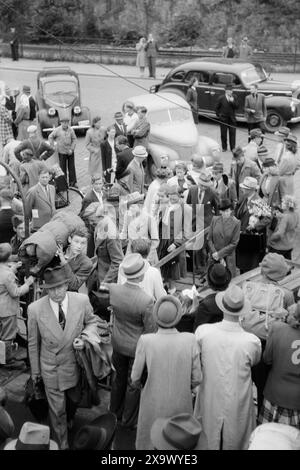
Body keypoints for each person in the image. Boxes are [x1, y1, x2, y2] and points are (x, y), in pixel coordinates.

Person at [27, 265, 100, 450]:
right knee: (57, 411)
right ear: (45, 289)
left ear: (67, 285)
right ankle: (63, 443)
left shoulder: (82, 301)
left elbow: (93, 322)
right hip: (51, 368)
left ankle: (70, 416)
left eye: (60, 287)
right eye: (51, 288)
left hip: (75, 365)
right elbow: (33, 343)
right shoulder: (34, 309)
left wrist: (84, 339)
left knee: (74, 400)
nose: (56, 292)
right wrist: (36, 373)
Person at [194, 284, 261, 450]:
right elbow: (256, 361)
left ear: (222, 306)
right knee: (237, 434)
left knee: (207, 433)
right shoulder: (251, 341)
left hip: (210, 392)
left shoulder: (203, 332)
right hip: (238, 395)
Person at [131, 295, 201, 450]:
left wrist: (141, 385)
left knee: (150, 444)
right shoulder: (190, 340)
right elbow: (197, 378)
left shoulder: (146, 340)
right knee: (178, 443)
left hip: (152, 402)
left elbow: (135, 377)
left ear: (157, 318)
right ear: (178, 317)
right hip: (181, 402)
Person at [108, 253, 156, 428]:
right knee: (133, 383)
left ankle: (113, 413)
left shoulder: (114, 289)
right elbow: (151, 329)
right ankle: (128, 420)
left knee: (118, 379)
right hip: (136, 347)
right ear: (141, 275)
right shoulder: (146, 300)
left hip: (118, 343)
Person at [258, 301, 300, 429]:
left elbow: (267, 359)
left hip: (273, 394)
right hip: (297, 401)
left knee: (266, 439)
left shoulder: (277, 328)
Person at [0, 243, 34, 365]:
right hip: (7, 310)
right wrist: (28, 284)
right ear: (9, 257)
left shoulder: (5, 271)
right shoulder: (8, 274)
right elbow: (15, 292)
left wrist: (13, 268)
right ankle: (7, 360)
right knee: (8, 336)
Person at [235, 176, 267, 272]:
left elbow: (268, 218)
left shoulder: (258, 201)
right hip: (244, 238)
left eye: (245, 188)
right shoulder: (245, 198)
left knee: (250, 266)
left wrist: (255, 226)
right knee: (243, 264)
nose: (242, 189)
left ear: (251, 190)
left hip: (252, 241)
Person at [193, 262, 231, 331]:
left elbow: (197, 331)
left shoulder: (206, 305)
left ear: (209, 282)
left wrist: (195, 309)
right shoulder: (234, 300)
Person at [207, 198, 241, 277]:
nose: (227, 213)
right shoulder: (214, 219)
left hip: (227, 257)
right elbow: (209, 239)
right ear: (220, 211)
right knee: (213, 279)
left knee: (227, 281)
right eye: (224, 211)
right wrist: (215, 253)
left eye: (228, 211)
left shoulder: (236, 223)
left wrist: (220, 254)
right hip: (214, 256)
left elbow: (234, 243)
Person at [55, 226, 93, 292]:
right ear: (70, 239)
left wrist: (63, 261)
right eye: (76, 241)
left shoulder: (86, 263)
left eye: (83, 243)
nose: (79, 246)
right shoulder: (58, 251)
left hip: (67, 296)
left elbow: (74, 286)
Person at [48, 117, 77, 187]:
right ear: (61, 123)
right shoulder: (57, 130)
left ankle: (73, 182)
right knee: (62, 168)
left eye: (67, 122)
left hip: (70, 152)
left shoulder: (71, 130)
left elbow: (74, 139)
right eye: (64, 122)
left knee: (71, 167)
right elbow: (50, 136)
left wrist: (72, 149)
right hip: (61, 152)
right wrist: (52, 145)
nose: (65, 124)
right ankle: (64, 183)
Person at [268, 195, 299, 260]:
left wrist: (271, 239)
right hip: (289, 245)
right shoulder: (295, 214)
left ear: (287, 205)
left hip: (279, 246)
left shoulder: (285, 217)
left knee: (273, 266)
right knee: (286, 266)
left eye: (283, 202)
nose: (281, 203)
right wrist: (280, 216)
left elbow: (280, 234)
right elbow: (291, 224)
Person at [215, 84, 238, 151]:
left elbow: (237, 107)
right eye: (228, 91)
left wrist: (232, 101)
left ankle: (233, 147)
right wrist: (219, 116)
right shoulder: (221, 98)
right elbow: (216, 108)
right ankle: (224, 147)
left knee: (232, 133)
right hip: (223, 119)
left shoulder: (234, 97)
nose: (229, 92)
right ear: (225, 91)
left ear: (232, 91)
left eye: (230, 91)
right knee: (223, 134)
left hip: (232, 119)